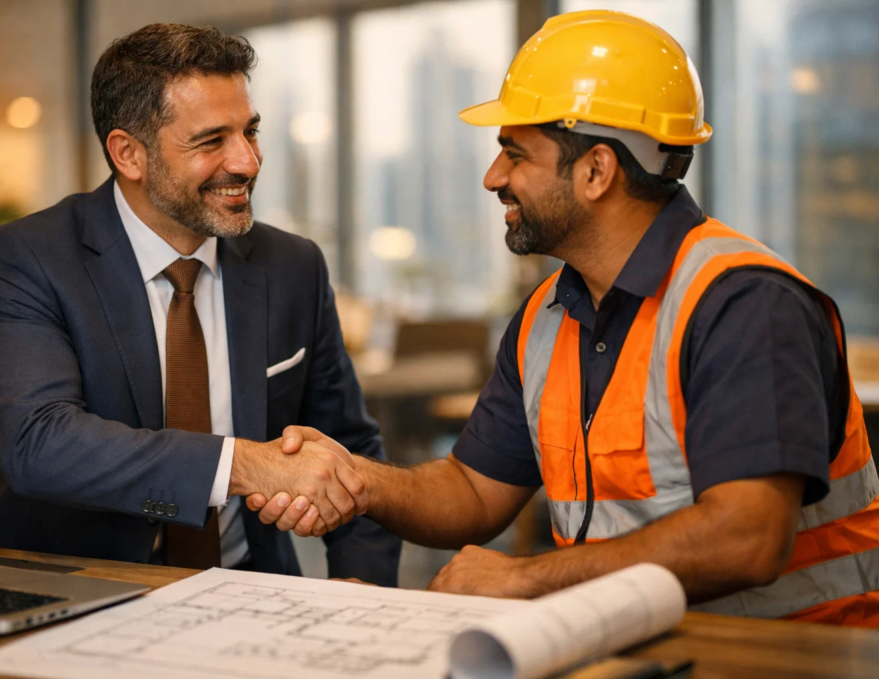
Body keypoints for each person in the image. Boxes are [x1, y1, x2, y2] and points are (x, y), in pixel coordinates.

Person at [254, 10, 878, 625]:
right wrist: (357, 478)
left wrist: (526, 578)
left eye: (515, 153)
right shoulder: (546, 316)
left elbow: (747, 538)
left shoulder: (743, 304)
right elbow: (473, 492)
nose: (493, 176)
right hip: (632, 643)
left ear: (596, 171)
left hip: (796, 656)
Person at [0, 23, 399, 584]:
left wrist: (357, 591)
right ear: (128, 154)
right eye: (211, 140)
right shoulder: (23, 260)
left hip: (253, 588)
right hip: (72, 593)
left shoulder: (294, 266)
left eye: (250, 131)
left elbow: (355, 451)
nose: (247, 162)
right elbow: (39, 442)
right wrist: (244, 466)